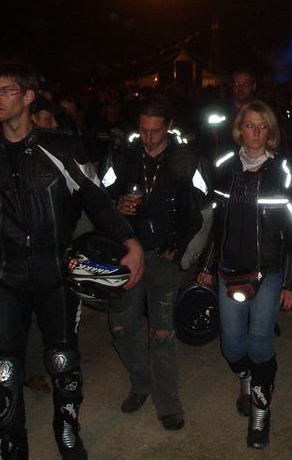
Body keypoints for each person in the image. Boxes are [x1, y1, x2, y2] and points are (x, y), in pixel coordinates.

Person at [0, 61, 144, 460]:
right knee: (3, 372)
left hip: (55, 270)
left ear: (27, 96)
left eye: (5, 91)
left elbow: (95, 197)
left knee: (62, 360)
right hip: (4, 275)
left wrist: (129, 240)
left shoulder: (61, 146)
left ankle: (68, 427)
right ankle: (12, 444)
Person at [197, 100, 292, 449]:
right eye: (250, 125)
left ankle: (261, 411)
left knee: (260, 344)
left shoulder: (286, 172)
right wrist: (206, 266)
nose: (256, 132)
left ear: (271, 131)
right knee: (232, 345)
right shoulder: (224, 167)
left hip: (269, 273)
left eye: (263, 126)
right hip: (229, 270)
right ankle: (245, 376)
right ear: (239, 130)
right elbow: (216, 226)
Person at [99, 96, 206, 431]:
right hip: (128, 254)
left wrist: (181, 247)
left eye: (155, 131)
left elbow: (204, 204)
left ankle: (168, 402)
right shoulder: (124, 155)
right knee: (120, 327)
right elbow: (99, 194)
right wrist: (117, 205)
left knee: (161, 333)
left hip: (164, 256)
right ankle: (142, 381)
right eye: (143, 130)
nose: (147, 138)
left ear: (168, 127)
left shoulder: (186, 157)